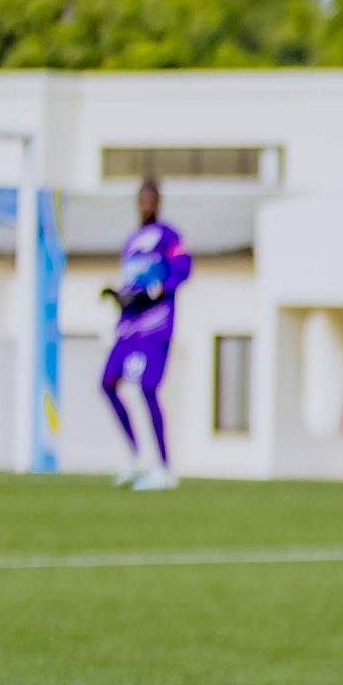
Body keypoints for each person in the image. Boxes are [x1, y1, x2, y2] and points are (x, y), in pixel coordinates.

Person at [99, 178, 193, 489]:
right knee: (108, 382)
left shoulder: (168, 236)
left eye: (152, 198)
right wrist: (119, 296)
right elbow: (133, 284)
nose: (147, 204)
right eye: (143, 198)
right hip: (129, 328)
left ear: (159, 202)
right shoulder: (132, 242)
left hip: (156, 324)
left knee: (148, 387)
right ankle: (136, 454)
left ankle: (164, 467)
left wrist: (156, 291)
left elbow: (182, 269)